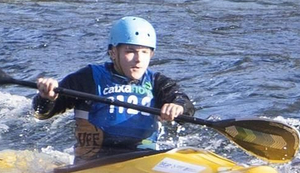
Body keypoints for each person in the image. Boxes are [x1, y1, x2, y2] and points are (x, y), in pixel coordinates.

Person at [34, 16, 192, 162]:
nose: (138, 59)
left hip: (143, 160)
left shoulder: (157, 82)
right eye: (130, 51)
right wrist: (47, 97)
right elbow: (43, 113)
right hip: (94, 162)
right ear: (113, 52)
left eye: (144, 52)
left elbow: (184, 102)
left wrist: (178, 107)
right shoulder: (88, 77)